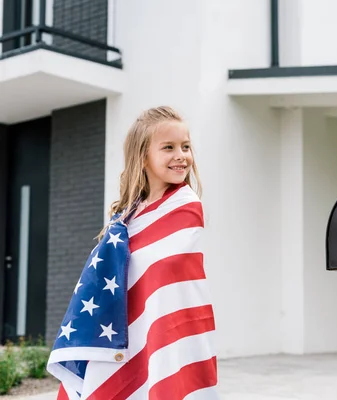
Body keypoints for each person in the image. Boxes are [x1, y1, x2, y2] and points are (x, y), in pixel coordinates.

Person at [47, 106, 218, 399]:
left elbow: (164, 275)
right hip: (121, 330)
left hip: (165, 329)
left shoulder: (186, 208)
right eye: (168, 147)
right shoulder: (126, 217)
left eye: (186, 147)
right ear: (143, 158)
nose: (181, 155)